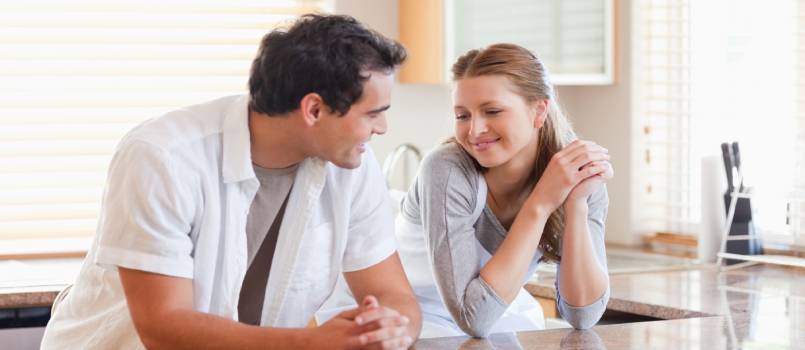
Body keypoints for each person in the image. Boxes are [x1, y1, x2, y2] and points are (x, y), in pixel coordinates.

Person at [41, 14, 421, 349]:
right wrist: (311, 344)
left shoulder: (352, 165)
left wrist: (389, 329)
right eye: (373, 114)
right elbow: (164, 328)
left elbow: (393, 294)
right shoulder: (162, 157)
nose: (382, 128)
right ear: (314, 109)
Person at [395, 43, 612, 338]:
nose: (475, 130)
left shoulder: (574, 170)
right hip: (406, 314)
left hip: (494, 307)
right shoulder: (446, 170)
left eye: (492, 111)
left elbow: (583, 315)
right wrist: (541, 203)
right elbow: (474, 317)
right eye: (463, 115)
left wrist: (576, 204)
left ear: (539, 110)